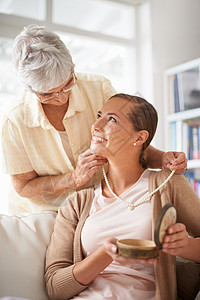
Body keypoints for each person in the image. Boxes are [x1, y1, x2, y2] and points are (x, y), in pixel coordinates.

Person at [1, 25, 187, 214]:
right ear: (30, 89)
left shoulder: (98, 87)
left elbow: (128, 142)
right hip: (43, 215)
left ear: (72, 67)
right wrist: (73, 179)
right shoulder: (14, 120)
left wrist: (163, 158)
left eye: (67, 84)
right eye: (48, 94)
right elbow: (23, 187)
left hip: (97, 209)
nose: (61, 98)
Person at [44, 94, 200, 300]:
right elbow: (55, 288)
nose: (96, 125)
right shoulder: (77, 203)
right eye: (99, 116)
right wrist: (105, 254)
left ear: (139, 138)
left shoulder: (167, 184)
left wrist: (185, 246)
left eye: (111, 119)